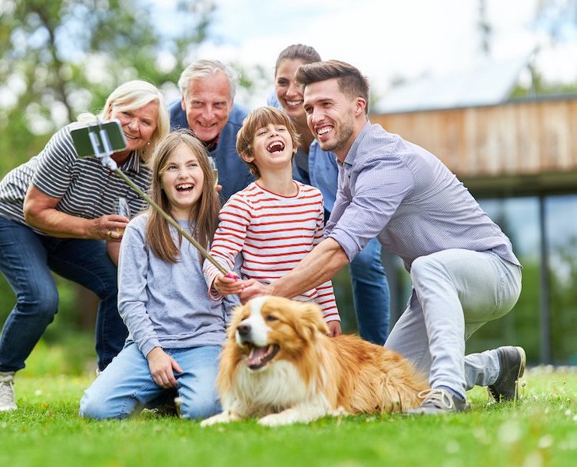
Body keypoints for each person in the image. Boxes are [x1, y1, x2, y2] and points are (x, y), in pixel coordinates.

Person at [240, 60, 525, 415]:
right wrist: (267, 277)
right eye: (310, 108)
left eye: (326, 105)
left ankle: (449, 394)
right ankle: (496, 366)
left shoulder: (387, 163)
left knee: (428, 266)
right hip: (437, 290)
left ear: (359, 107)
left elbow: (339, 252)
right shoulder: (350, 166)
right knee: (385, 382)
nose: (315, 117)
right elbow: (325, 244)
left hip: (494, 274)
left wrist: (271, 294)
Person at [0, 80, 170, 412]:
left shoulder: (143, 167)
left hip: (72, 232)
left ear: (154, 131)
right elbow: (35, 211)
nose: (133, 126)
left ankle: (109, 379)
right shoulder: (75, 141)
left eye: (145, 122)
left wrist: (135, 273)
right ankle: (1, 378)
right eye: (127, 114)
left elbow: (119, 243)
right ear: (110, 110)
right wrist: (94, 228)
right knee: (41, 299)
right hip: (15, 220)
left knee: (119, 287)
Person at [79, 131, 237, 420]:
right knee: (96, 410)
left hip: (206, 343)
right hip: (150, 344)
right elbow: (130, 301)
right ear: (160, 179)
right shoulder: (140, 229)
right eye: (172, 168)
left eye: (192, 166)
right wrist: (153, 352)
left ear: (206, 174)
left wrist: (230, 349)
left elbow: (233, 300)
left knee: (204, 410)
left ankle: (176, 390)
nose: (183, 175)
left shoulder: (223, 226)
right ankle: (162, 387)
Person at [269, 44, 390, 345]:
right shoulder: (271, 115)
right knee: (290, 255)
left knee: (363, 260)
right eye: (283, 82)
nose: (291, 91)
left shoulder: (336, 117)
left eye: (300, 83)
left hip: (348, 203)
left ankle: (377, 349)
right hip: (302, 205)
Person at [203, 106, 340, 335]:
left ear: (294, 145)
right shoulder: (242, 204)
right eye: (263, 133)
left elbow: (319, 263)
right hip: (266, 319)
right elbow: (219, 255)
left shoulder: (313, 198)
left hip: (308, 318)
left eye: (280, 129)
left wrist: (330, 312)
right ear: (248, 154)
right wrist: (218, 277)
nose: (274, 134)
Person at [169, 59, 254, 202]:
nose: (208, 116)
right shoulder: (161, 126)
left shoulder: (251, 131)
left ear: (231, 104)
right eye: (198, 103)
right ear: (183, 101)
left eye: (218, 104)